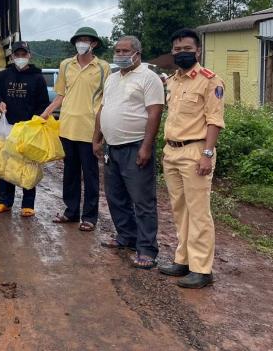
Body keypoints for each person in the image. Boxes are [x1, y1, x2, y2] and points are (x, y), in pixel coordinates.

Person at [158, 28, 225, 289]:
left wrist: (207, 154)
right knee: (180, 210)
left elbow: (214, 121)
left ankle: (202, 269)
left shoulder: (210, 81)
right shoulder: (173, 81)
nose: (181, 53)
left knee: (198, 213)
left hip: (196, 151)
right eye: (177, 49)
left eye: (187, 49)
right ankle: (183, 260)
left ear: (197, 50)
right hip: (171, 151)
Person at [92, 36, 164, 269]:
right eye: (117, 51)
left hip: (136, 146)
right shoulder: (112, 78)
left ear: (137, 53)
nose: (120, 55)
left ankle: (147, 248)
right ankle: (126, 237)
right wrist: (97, 138)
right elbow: (103, 109)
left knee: (142, 200)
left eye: (124, 51)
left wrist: (146, 146)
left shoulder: (149, 78)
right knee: (115, 197)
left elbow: (154, 113)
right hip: (112, 147)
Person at [42, 26, 110, 230]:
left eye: (86, 40)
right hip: (68, 127)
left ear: (94, 44)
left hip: (90, 128)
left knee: (90, 175)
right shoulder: (65, 65)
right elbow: (61, 94)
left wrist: (102, 131)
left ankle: (89, 217)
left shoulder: (103, 67)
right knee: (70, 173)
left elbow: (106, 99)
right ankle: (70, 212)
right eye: (79, 40)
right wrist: (46, 112)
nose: (82, 43)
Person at [0, 41, 49, 217]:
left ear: (29, 56)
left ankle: (28, 204)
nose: (20, 58)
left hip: (28, 129)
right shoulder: (4, 75)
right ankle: (5, 201)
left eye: (23, 54)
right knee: (6, 163)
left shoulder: (37, 77)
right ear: (12, 56)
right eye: (17, 55)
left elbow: (43, 103)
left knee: (28, 166)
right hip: (8, 126)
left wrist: (36, 122)